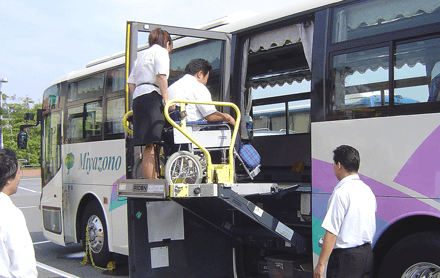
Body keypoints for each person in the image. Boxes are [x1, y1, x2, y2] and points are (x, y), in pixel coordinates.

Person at [314, 145, 376, 278]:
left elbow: (331, 232)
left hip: (346, 259)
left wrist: (321, 264)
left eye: (334, 164)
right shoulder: (367, 190)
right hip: (366, 255)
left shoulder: (341, 192)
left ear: (339, 165)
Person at [127, 28, 173, 179]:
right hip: (152, 96)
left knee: (149, 144)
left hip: (139, 98)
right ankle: (156, 179)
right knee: (156, 139)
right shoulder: (161, 52)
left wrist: (140, 95)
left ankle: (151, 180)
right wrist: (166, 100)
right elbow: (160, 76)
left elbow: (130, 83)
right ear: (167, 43)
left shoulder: (141, 55)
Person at [0, 149, 38, 278]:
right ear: (9, 178)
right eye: (18, 173)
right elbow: (24, 268)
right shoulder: (10, 214)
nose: (19, 177)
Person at [168, 58, 236, 126]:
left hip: (173, 131)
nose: (206, 83)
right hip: (193, 131)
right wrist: (228, 117)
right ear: (200, 74)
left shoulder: (170, 88)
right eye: (207, 78)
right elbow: (211, 116)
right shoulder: (198, 86)